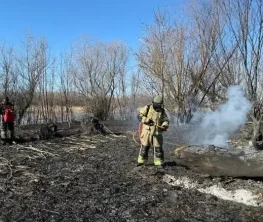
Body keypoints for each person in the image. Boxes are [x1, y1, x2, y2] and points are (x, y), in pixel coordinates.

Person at [137, 95, 169, 168]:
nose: (158, 107)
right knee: (144, 148)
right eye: (157, 105)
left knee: (158, 149)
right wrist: (147, 120)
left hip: (157, 133)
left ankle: (158, 163)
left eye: (159, 106)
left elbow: (166, 120)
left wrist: (164, 125)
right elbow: (139, 116)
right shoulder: (147, 108)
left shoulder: (162, 111)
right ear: (153, 103)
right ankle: (141, 162)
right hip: (146, 133)